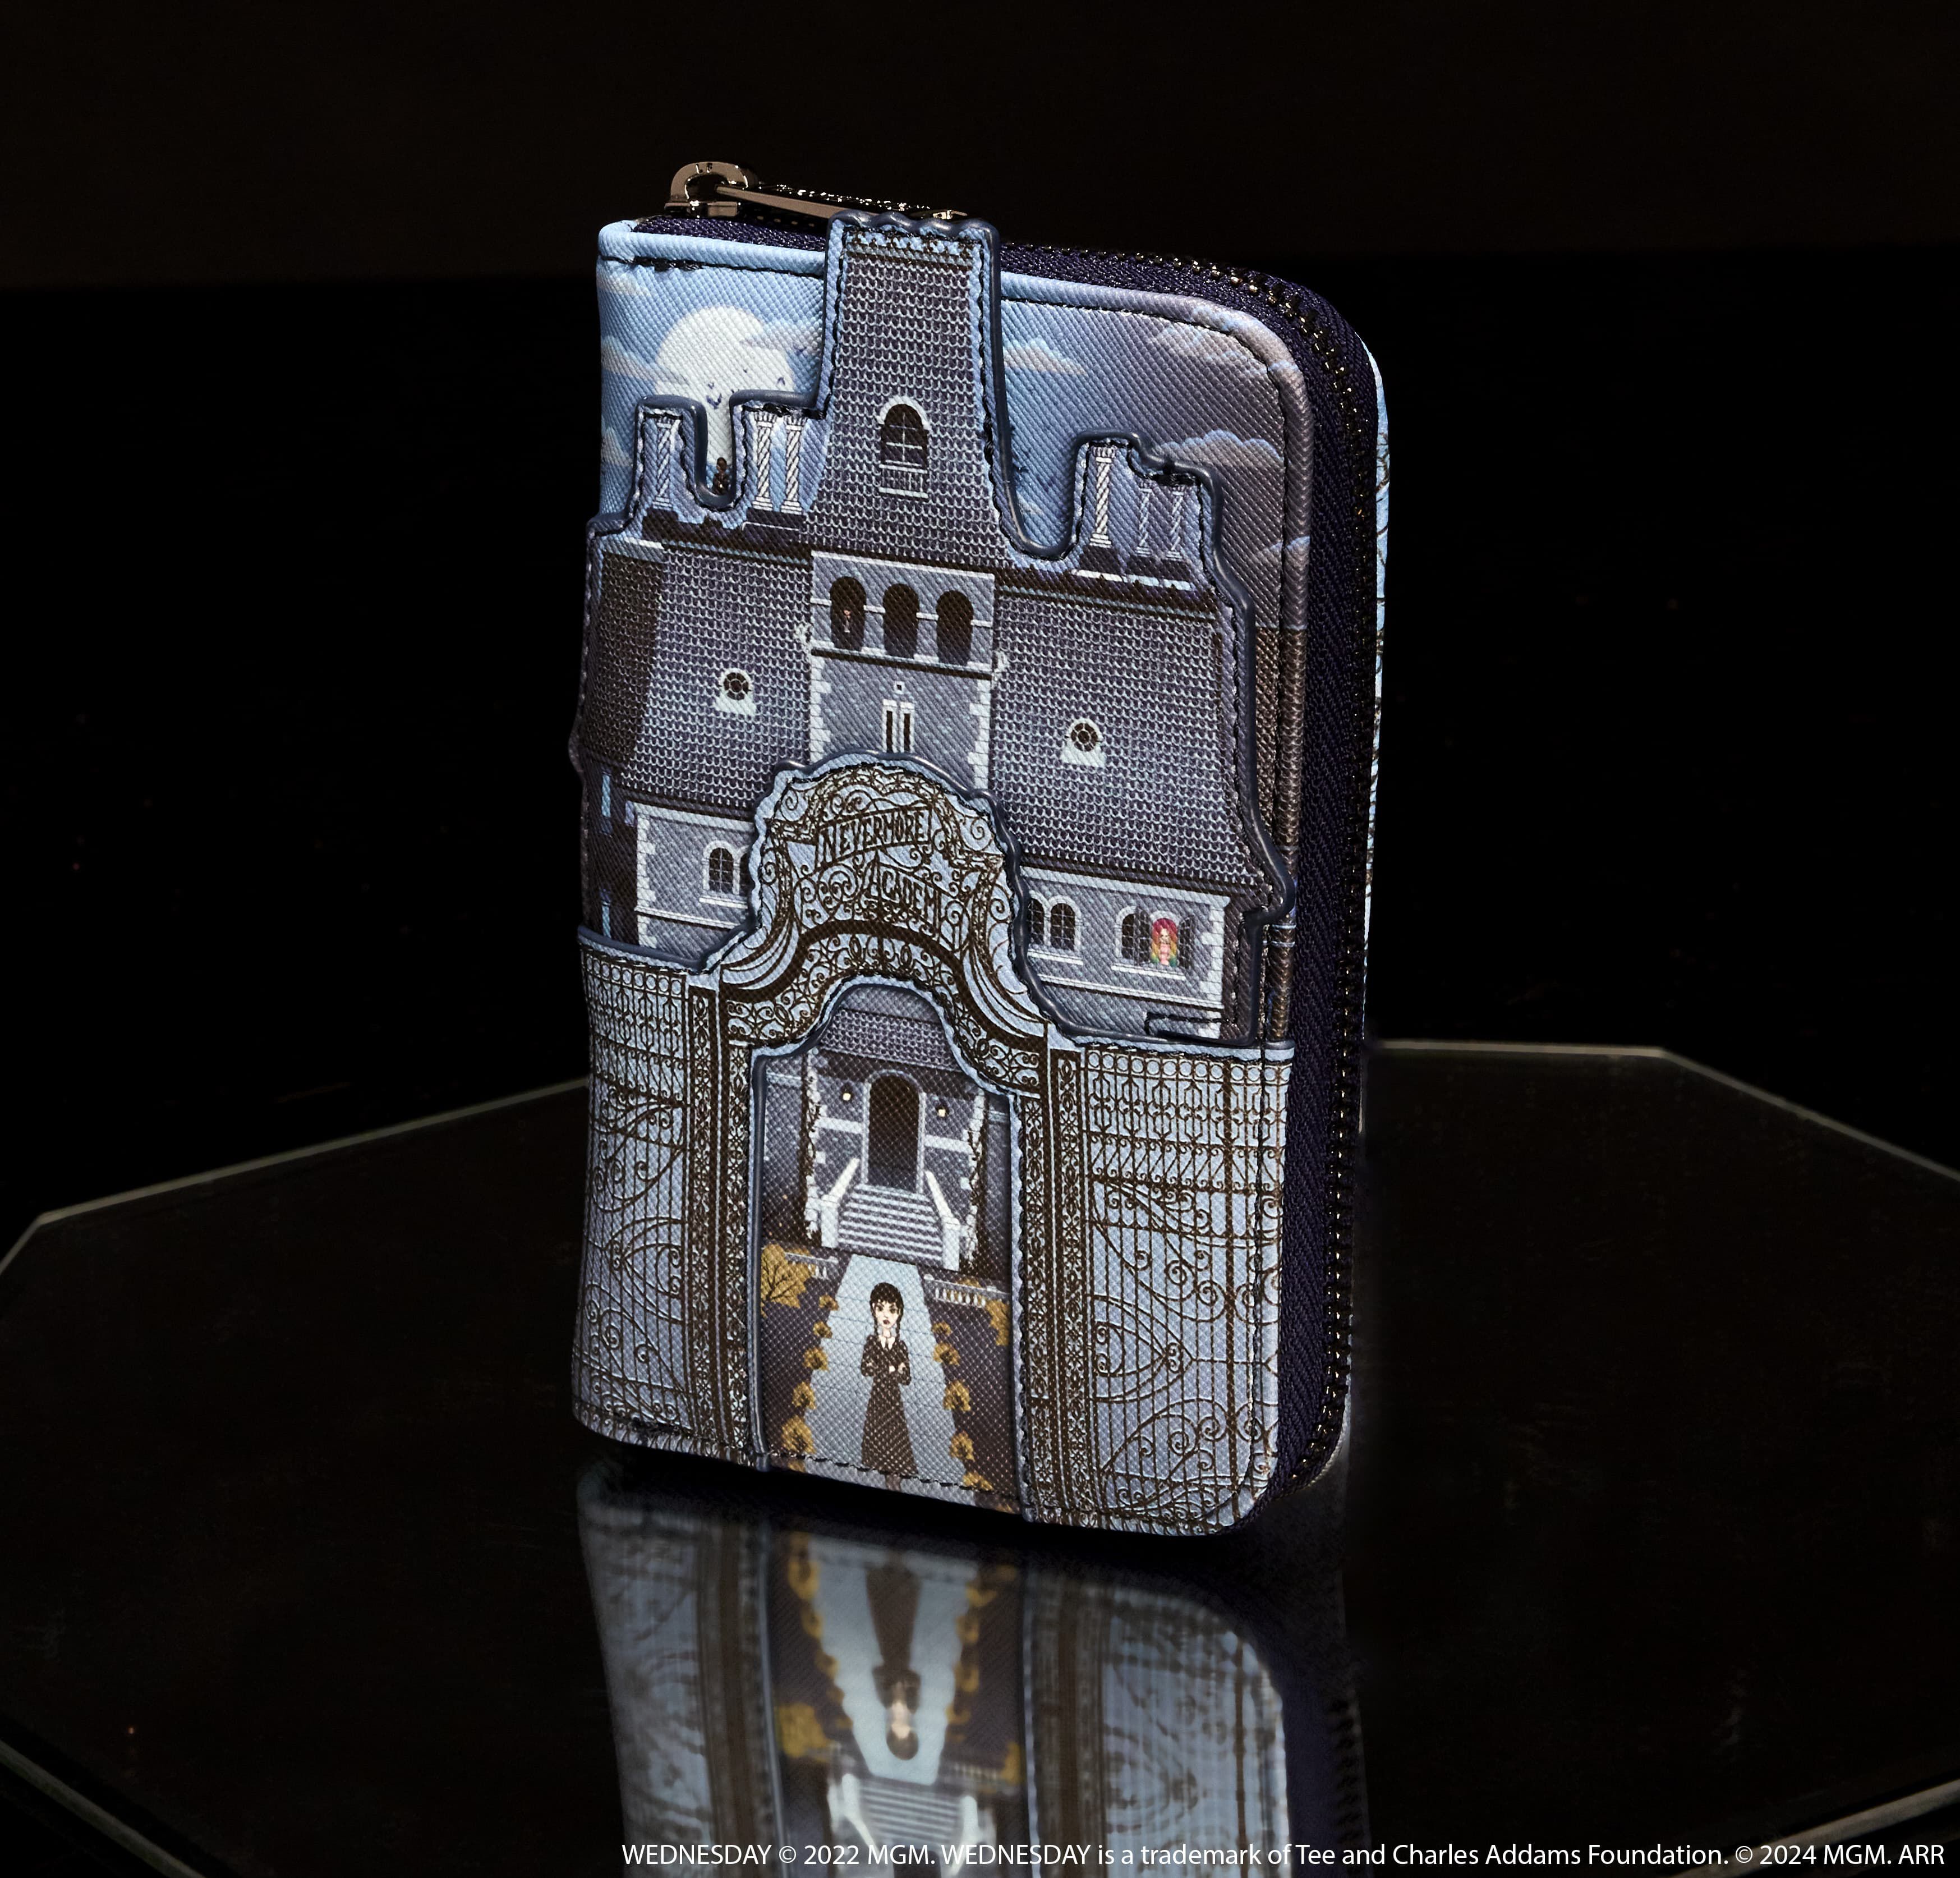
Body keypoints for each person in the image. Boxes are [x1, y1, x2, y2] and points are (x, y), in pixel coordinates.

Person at [860, 1281, 916, 1491]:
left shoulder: (900, 1345)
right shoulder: (871, 1342)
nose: (886, 1315)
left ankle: (895, 1482)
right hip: (877, 1401)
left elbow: (906, 1377)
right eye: (880, 1308)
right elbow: (866, 1369)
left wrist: (884, 1368)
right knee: (880, 1445)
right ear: (873, 1310)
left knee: (895, 1442)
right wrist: (892, 1369)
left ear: (899, 1314)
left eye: (892, 1310)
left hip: (893, 1402)